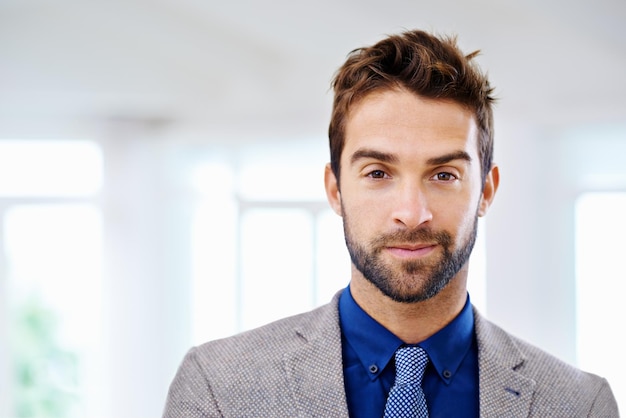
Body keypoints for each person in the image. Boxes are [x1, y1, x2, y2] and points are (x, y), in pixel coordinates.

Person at [162, 29, 619, 417]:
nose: (412, 212)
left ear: (485, 191)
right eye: (378, 173)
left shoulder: (581, 404)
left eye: (444, 175)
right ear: (335, 189)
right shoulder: (218, 389)